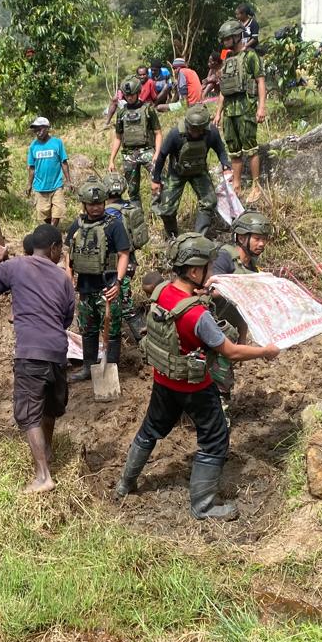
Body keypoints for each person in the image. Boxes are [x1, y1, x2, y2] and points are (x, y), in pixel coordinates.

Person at [114, 234, 279, 520]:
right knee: (215, 439)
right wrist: (264, 351)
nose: (211, 271)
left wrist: (201, 293)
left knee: (150, 429)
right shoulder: (198, 316)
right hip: (195, 387)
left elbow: (178, 311)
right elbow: (230, 352)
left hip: (164, 379)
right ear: (193, 271)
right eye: (208, 267)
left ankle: (125, 483)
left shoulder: (162, 291)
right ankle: (203, 505)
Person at [0, 225, 77, 493]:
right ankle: (47, 452)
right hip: (57, 352)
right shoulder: (63, 278)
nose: (60, 253)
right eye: (60, 248)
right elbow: (66, 318)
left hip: (31, 353)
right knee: (50, 408)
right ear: (53, 248)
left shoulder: (16, 266)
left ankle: (43, 476)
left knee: (30, 415)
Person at [65, 179, 131, 384]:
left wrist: (117, 282)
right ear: (84, 205)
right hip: (85, 287)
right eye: (91, 204)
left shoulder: (114, 225)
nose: (95, 208)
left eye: (99, 203)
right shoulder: (77, 225)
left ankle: (111, 369)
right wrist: (69, 277)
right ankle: (88, 367)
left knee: (112, 329)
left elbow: (124, 254)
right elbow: (69, 253)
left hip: (107, 286)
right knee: (88, 328)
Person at [207, 210, 273, 413]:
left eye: (264, 239)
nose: (261, 244)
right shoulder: (224, 257)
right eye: (257, 238)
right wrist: (239, 287)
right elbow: (211, 290)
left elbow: (244, 309)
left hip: (228, 334)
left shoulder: (252, 268)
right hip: (208, 329)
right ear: (242, 238)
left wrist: (242, 340)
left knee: (222, 381)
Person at [151, 103, 233, 240]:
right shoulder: (175, 134)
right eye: (191, 129)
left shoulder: (211, 132)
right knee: (166, 209)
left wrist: (225, 164)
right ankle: (172, 237)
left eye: (197, 130)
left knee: (209, 201)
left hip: (199, 171)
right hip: (177, 173)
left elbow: (220, 150)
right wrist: (156, 179)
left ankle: (199, 238)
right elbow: (162, 155)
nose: (194, 132)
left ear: (203, 128)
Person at [214, 18, 267, 199]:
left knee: (250, 147)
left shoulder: (251, 56)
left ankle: (256, 186)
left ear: (237, 36)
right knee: (233, 149)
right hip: (230, 110)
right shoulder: (227, 59)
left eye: (227, 38)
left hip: (246, 107)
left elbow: (261, 81)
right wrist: (218, 112)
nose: (225, 42)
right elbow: (224, 88)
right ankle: (236, 185)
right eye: (223, 39)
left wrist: (261, 107)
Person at [107, 77, 163, 208]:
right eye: (127, 95)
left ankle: (158, 211)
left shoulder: (148, 109)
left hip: (147, 151)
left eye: (132, 94)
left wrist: (157, 154)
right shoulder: (121, 112)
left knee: (159, 182)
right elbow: (118, 137)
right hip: (129, 154)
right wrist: (111, 160)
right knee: (132, 191)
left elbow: (158, 133)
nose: (130, 97)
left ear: (138, 92)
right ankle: (137, 215)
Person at [105, 177, 149, 342]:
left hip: (117, 263)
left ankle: (144, 340)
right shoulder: (129, 207)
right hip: (130, 260)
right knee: (121, 297)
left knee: (125, 303)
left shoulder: (108, 213)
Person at [27, 116, 72, 227]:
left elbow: (63, 162)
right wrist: (29, 184)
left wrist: (68, 181)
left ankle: (52, 230)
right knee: (44, 212)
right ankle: (51, 228)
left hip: (56, 185)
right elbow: (31, 168)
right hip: (40, 186)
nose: (38, 132)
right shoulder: (33, 146)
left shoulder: (57, 143)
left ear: (47, 128)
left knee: (58, 210)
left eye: (40, 129)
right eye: (35, 130)